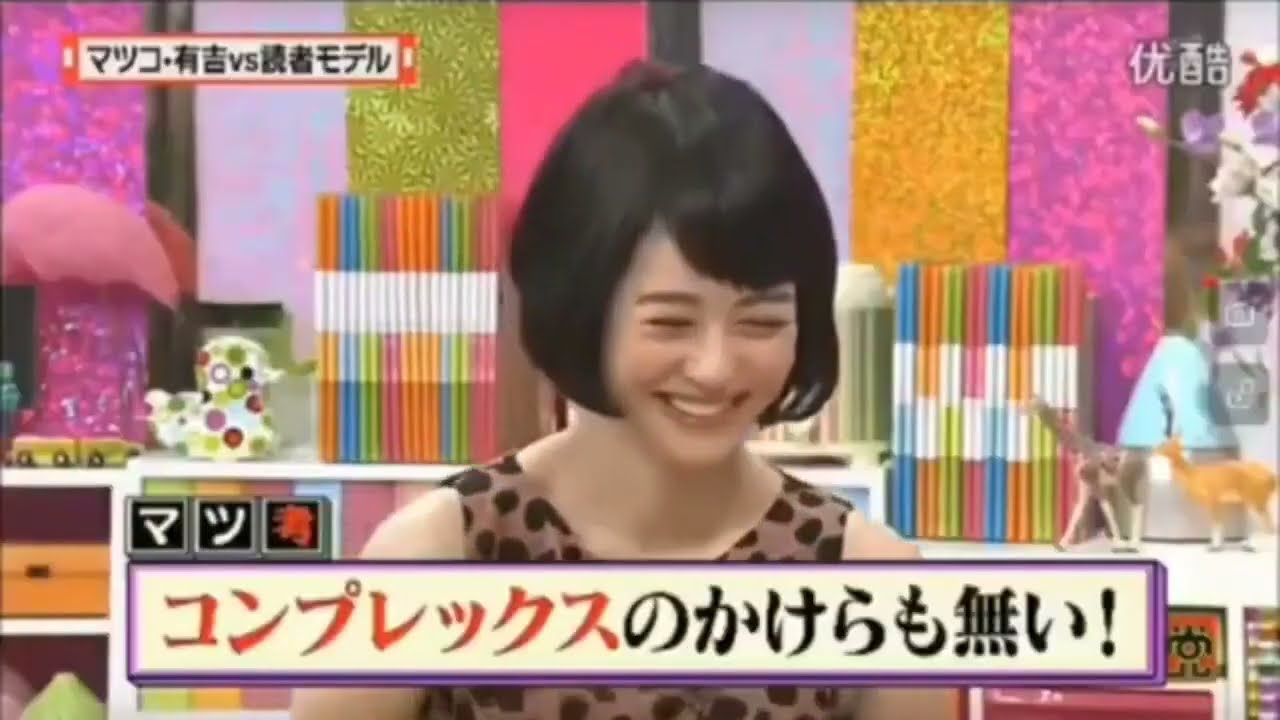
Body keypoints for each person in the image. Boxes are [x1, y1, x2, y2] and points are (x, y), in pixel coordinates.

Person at [292, 61, 956, 720]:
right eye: (670, 322)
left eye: (760, 322)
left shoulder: (869, 578)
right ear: (582, 308)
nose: (716, 368)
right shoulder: (436, 556)